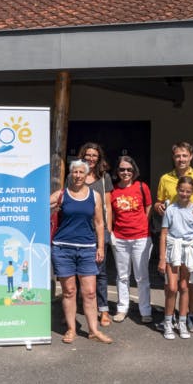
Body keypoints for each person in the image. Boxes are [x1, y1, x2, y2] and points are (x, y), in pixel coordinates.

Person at [50, 159, 112, 344]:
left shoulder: (94, 196)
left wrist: (100, 246)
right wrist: (51, 208)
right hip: (63, 248)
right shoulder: (61, 194)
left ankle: (93, 330)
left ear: (87, 175)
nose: (77, 176)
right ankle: (71, 329)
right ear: (70, 173)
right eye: (75, 172)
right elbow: (38, 208)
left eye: (81, 173)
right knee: (69, 291)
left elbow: (99, 223)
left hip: (87, 249)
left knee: (90, 292)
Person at [154, 141, 193, 332]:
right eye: (178, 155)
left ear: (191, 156)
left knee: (189, 284)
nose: (181, 159)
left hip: (191, 240)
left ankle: (189, 317)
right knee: (171, 284)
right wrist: (158, 206)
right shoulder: (165, 178)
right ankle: (168, 318)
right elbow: (159, 202)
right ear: (173, 157)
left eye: (184, 155)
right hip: (172, 238)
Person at [158, 176, 193, 340]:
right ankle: (168, 321)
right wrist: (162, 258)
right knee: (172, 287)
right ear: (177, 189)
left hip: (189, 251)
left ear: (192, 192)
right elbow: (164, 234)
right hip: (173, 249)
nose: (184, 194)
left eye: (188, 191)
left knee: (184, 286)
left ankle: (182, 321)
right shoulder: (170, 209)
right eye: (182, 190)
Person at [110, 156, 153, 324]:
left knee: (142, 276)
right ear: (117, 171)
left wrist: (143, 223)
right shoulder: (113, 191)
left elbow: (149, 206)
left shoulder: (142, 187)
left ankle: (145, 310)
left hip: (141, 237)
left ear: (134, 170)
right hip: (120, 238)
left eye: (129, 169)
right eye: (122, 169)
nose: (125, 172)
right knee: (122, 276)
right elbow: (111, 214)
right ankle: (122, 308)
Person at [77, 142, 113, 327]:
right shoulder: (75, 175)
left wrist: (109, 230)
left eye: (94, 156)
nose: (91, 159)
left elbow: (108, 206)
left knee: (100, 271)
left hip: (99, 229)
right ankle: (75, 308)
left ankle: (103, 310)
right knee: (78, 271)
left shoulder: (104, 178)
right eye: (88, 155)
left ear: (98, 159)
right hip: (78, 230)